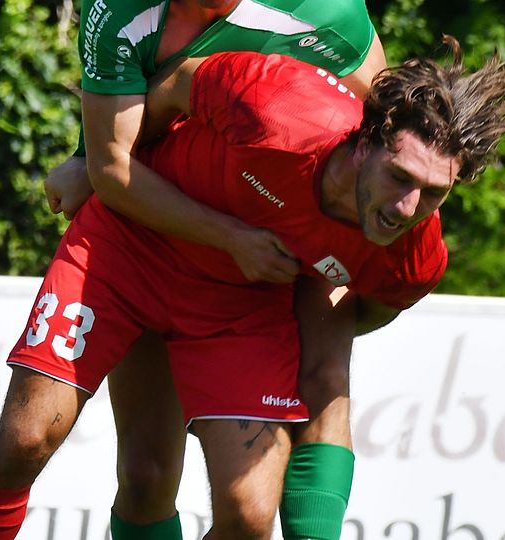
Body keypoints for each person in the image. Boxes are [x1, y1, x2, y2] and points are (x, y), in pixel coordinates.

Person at [0, 40, 505, 540]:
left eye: (433, 193)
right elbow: (170, 85)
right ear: (367, 142)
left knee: (248, 514)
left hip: (241, 305)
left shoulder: (414, 257)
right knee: (27, 440)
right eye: (399, 177)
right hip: (127, 245)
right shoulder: (274, 101)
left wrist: (302, 296)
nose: (407, 208)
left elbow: (359, 318)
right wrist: (97, 160)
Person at [49, 1, 390, 537]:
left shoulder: (326, 11)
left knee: (325, 380)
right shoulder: (119, 11)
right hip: (172, 223)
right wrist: (88, 159)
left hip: (286, 239)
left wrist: (345, 237)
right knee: (144, 475)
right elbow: (149, 102)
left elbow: (393, 128)